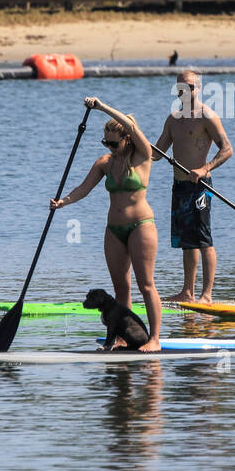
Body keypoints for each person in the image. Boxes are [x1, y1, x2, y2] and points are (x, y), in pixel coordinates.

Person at [50, 97, 162, 350]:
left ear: (127, 140)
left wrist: (102, 108)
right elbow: (83, 188)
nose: (109, 146)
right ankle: (122, 337)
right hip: (114, 230)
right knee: (121, 288)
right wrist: (63, 202)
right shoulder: (104, 163)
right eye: (105, 142)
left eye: (114, 142)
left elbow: (133, 128)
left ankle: (154, 339)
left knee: (146, 284)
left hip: (141, 225)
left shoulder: (143, 156)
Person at [153, 70, 233, 303]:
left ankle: (206, 295)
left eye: (189, 87)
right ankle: (187, 292)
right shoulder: (173, 119)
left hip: (200, 187)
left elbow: (227, 149)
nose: (184, 92)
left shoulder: (207, 116)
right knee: (187, 242)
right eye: (180, 88)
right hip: (179, 186)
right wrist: (131, 144)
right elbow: (157, 154)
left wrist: (205, 168)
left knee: (203, 239)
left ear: (198, 88)